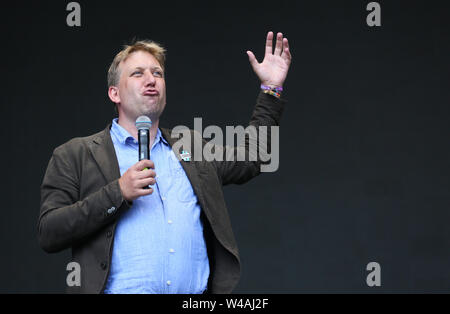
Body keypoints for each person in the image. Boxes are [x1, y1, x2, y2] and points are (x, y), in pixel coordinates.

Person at [38, 31, 292, 294]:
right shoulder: (76, 154)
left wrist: (271, 90)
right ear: (115, 93)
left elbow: (253, 157)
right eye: (138, 73)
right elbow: (49, 231)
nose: (151, 80)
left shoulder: (191, 148)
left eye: (157, 73)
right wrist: (118, 192)